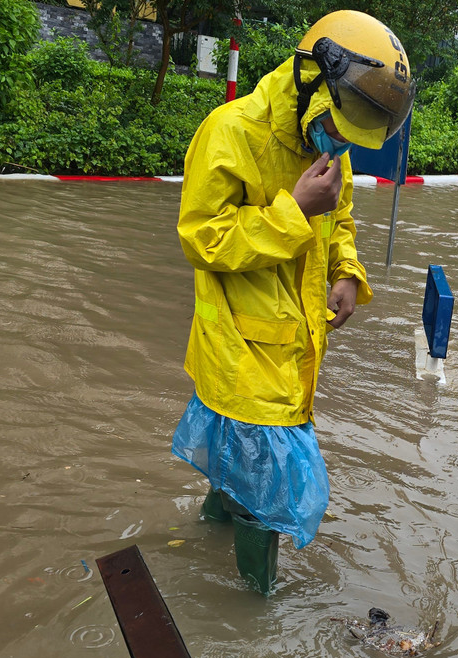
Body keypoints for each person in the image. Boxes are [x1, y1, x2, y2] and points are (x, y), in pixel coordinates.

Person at [172, 11, 415, 594]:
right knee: (268, 493)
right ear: (311, 81)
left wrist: (347, 273)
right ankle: (255, 612)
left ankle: (203, 542)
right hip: (239, 348)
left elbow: (341, 218)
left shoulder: (325, 138)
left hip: (293, 348)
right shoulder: (230, 132)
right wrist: (295, 209)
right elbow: (202, 239)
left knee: (238, 470)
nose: (341, 141)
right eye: (338, 125)